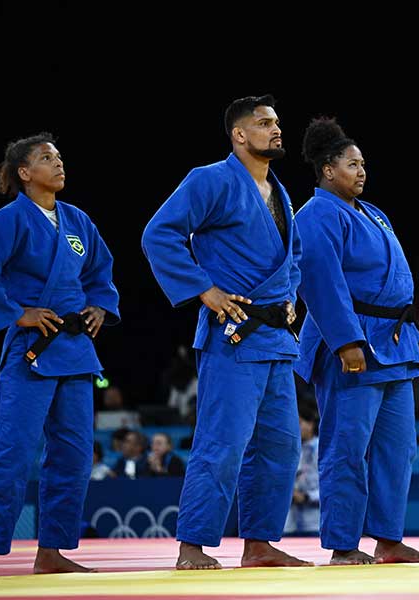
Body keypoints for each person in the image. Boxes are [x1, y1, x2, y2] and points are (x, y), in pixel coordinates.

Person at [141, 95, 310, 569]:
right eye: (264, 123)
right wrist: (203, 290)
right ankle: (192, 545)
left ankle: (258, 544)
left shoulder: (280, 191)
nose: (276, 129)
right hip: (233, 335)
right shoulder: (210, 180)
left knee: (281, 444)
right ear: (239, 134)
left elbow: (292, 257)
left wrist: (291, 295)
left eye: (277, 121)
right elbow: (159, 234)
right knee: (223, 441)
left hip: (276, 337)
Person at [0, 132, 120, 576]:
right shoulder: (6, 221)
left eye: (60, 156)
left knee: (74, 454)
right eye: (47, 158)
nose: (59, 163)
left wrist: (101, 306)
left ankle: (52, 551)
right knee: (11, 451)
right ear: (25, 173)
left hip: (76, 353)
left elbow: (101, 271)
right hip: (32, 351)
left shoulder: (78, 221)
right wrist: (16, 314)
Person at [294, 117, 419, 565]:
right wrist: (345, 341)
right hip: (353, 343)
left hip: (393, 341)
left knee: (398, 448)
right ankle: (343, 543)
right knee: (346, 447)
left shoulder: (373, 213)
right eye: (352, 164)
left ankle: (388, 539)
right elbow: (321, 282)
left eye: (363, 164)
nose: (361, 171)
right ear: (328, 169)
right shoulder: (316, 214)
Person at [284, 405, 320, 535]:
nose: (295, 428)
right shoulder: (290, 449)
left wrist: (306, 497)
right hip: (290, 524)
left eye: (299, 423)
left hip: (314, 524)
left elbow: (334, 487)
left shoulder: (321, 449)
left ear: (310, 423)